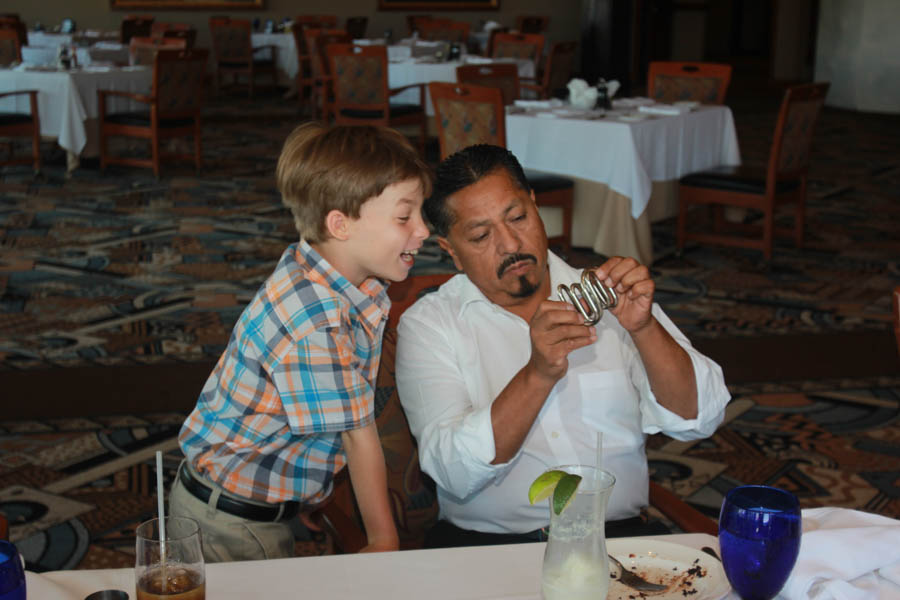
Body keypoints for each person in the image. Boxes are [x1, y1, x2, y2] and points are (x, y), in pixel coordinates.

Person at [395, 144, 730, 547]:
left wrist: (644, 330)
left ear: (536, 207)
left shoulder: (607, 292)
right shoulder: (431, 325)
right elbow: (451, 473)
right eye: (481, 235)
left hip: (617, 540)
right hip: (489, 548)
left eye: (517, 217)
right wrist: (537, 375)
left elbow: (699, 418)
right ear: (452, 252)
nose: (510, 244)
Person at [171, 123, 431, 561]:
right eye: (405, 217)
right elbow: (356, 434)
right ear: (340, 224)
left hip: (249, 502)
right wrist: (383, 539)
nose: (423, 230)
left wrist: (311, 490)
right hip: (233, 527)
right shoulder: (315, 321)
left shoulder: (325, 270)